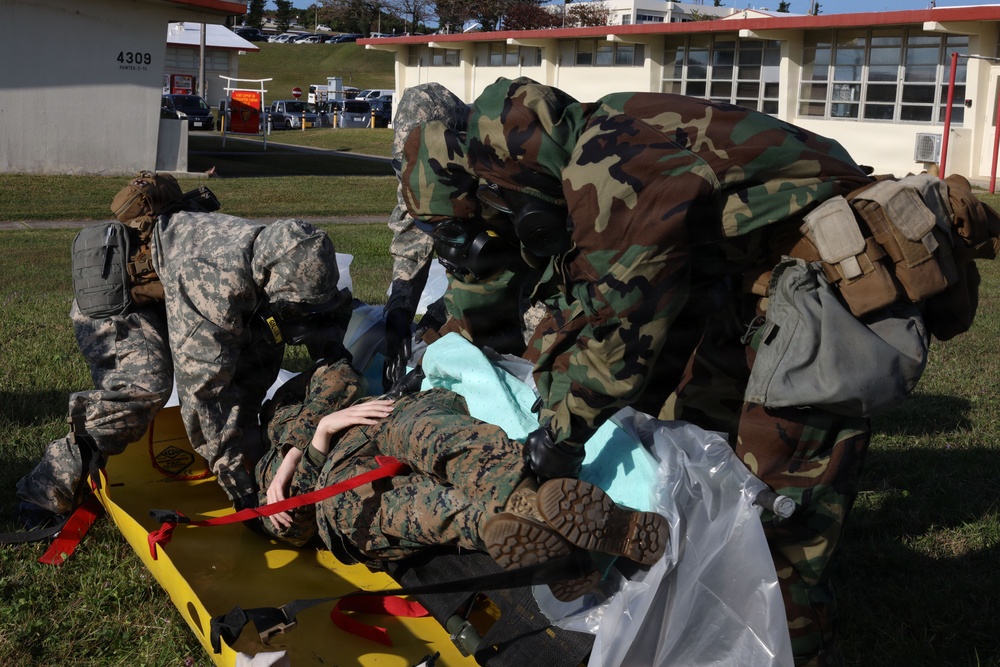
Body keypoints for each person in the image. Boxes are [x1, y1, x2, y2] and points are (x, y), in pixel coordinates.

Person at [397, 77, 1000, 665]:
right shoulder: (564, 149)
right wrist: (444, 349)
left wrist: (557, 438)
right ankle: (699, 618)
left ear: (513, 190)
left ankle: (791, 645)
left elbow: (620, 332)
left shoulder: (611, 166)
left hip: (824, 296)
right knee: (702, 463)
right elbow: (570, 301)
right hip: (750, 285)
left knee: (779, 520)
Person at [16, 173, 353, 527]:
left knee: (253, 363)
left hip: (174, 289)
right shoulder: (215, 277)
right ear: (271, 278)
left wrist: (330, 348)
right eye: (289, 308)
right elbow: (203, 391)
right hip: (120, 309)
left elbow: (318, 313)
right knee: (143, 389)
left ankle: (251, 465)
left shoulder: (284, 251)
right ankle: (45, 490)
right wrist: (242, 494)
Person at [255, 358, 668, 603]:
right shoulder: (263, 471)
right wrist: (315, 444)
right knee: (429, 511)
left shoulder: (305, 402)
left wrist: (310, 434)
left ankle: (530, 502)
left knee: (437, 437)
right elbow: (295, 528)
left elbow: (341, 377)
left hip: (385, 423)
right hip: (342, 497)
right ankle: (554, 532)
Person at [382, 83, 547, 392]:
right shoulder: (421, 179)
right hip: (480, 274)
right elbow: (411, 244)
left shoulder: (507, 167)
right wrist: (399, 311)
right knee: (427, 340)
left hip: (537, 272)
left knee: (540, 362)